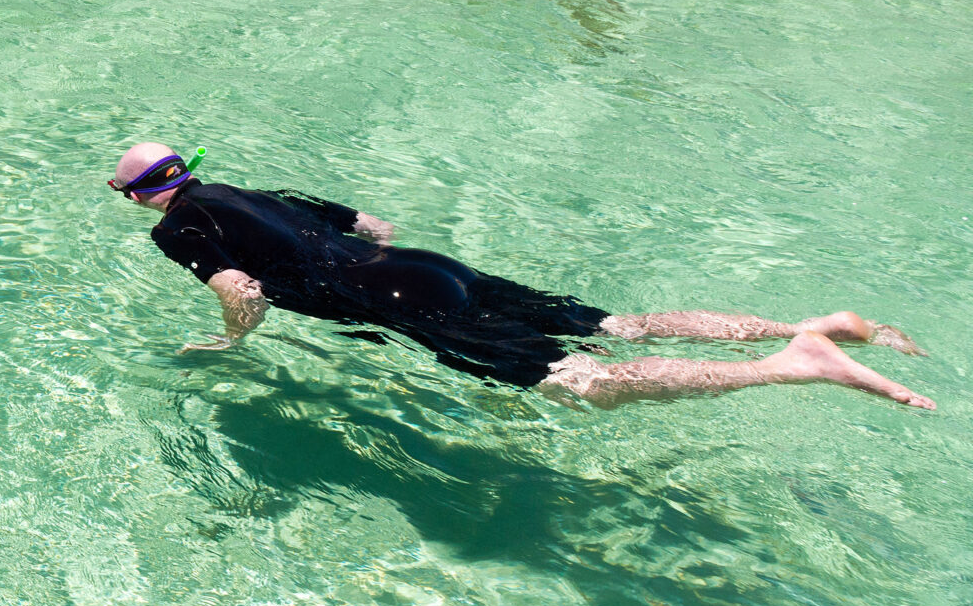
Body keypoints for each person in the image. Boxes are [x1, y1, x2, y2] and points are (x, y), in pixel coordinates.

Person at [109, 141, 931, 410]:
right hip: (422, 268)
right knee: (619, 326)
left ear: (139, 196)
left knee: (580, 382)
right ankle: (810, 324)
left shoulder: (177, 228)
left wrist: (231, 343)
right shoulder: (243, 189)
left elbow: (241, 289)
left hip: (398, 300)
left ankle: (790, 362)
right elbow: (370, 222)